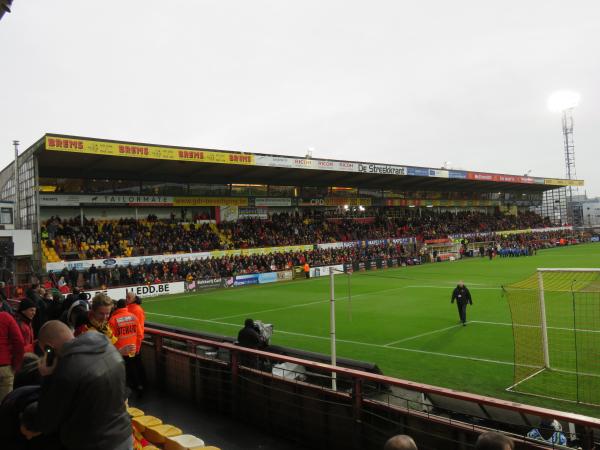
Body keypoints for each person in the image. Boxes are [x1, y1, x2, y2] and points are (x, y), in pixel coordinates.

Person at [34, 320, 132, 450]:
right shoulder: (107, 346)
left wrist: (47, 377)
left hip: (94, 444)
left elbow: (46, 421)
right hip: (124, 435)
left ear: (49, 348)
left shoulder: (66, 369)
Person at [108, 299, 143, 396]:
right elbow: (140, 335)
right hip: (132, 349)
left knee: (123, 372)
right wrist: (137, 348)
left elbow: (109, 339)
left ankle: (123, 391)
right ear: (126, 306)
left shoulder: (112, 320)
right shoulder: (133, 317)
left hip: (119, 351)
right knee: (134, 368)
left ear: (116, 307)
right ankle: (138, 386)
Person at [0, 310, 24, 402]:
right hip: (4, 368)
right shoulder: (5, 317)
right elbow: (19, 341)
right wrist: (16, 365)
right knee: (5, 404)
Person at [126, 292, 146, 394]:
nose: (126, 299)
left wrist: (138, 345)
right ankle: (139, 384)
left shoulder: (136, 310)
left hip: (134, 343)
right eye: (126, 297)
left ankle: (140, 384)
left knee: (136, 364)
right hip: (130, 343)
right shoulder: (130, 308)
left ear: (133, 299)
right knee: (134, 364)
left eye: (128, 297)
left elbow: (140, 329)